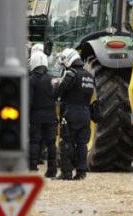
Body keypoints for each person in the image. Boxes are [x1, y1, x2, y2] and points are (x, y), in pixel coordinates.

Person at [55, 49, 94, 180]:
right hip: (86, 114)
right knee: (82, 144)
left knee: (66, 142)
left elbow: (59, 92)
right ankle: (81, 172)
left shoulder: (71, 75)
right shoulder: (89, 76)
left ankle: (66, 173)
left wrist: (56, 84)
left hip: (71, 112)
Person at [28, 52, 57, 177]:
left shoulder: (30, 80)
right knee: (51, 142)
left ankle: (32, 168)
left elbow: (28, 100)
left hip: (35, 115)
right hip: (51, 115)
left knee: (34, 141)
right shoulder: (52, 79)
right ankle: (52, 170)